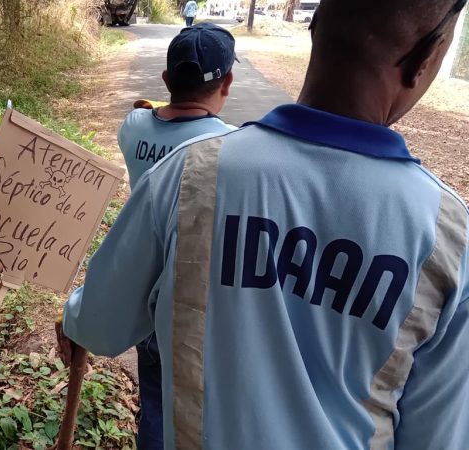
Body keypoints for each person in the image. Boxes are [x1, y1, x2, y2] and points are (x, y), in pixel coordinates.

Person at [60, 0, 469, 448]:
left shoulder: (192, 175)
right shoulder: (448, 239)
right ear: (426, 61)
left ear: (314, 29)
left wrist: (72, 319)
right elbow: (437, 435)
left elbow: (99, 325)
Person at [116, 23, 237, 450]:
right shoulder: (228, 145)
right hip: (197, 297)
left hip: (146, 290)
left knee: (156, 403)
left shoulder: (133, 128)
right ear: (227, 82)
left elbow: (144, 114)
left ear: (167, 80)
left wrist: (152, 108)